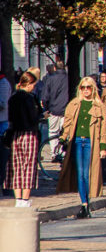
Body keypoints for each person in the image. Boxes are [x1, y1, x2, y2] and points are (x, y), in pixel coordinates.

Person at [57, 77, 106, 218]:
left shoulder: (99, 106)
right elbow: (67, 123)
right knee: (80, 174)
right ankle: (84, 204)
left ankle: (87, 203)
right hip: (78, 141)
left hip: (92, 142)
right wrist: (63, 137)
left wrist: (103, 147)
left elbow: (104, 129)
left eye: (88, 87)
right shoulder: (74, 104)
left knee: (88, 174)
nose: (85, 90)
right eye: (83, 87)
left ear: (93, 89)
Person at [4, 70, 41, 207]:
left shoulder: (13, 98)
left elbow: (11, 117)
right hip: (29, 134)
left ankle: (18, 199)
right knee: (29, 166)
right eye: (33, 84)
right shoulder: (30, 98)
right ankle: (25, 199)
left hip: (15, 134)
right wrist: (41, 116)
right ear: (29, 84)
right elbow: (33, 118)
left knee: (16, 166)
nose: (34, 87)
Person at [40, 61, 69, 161]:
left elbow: (45, 96)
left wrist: (47, 108)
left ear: (55, 68)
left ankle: (54, 153)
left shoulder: (50, 79)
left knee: (53, 131)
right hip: (66, 110)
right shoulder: (68, 79)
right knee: (65, 132)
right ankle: (63, 152)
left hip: (54, 110)